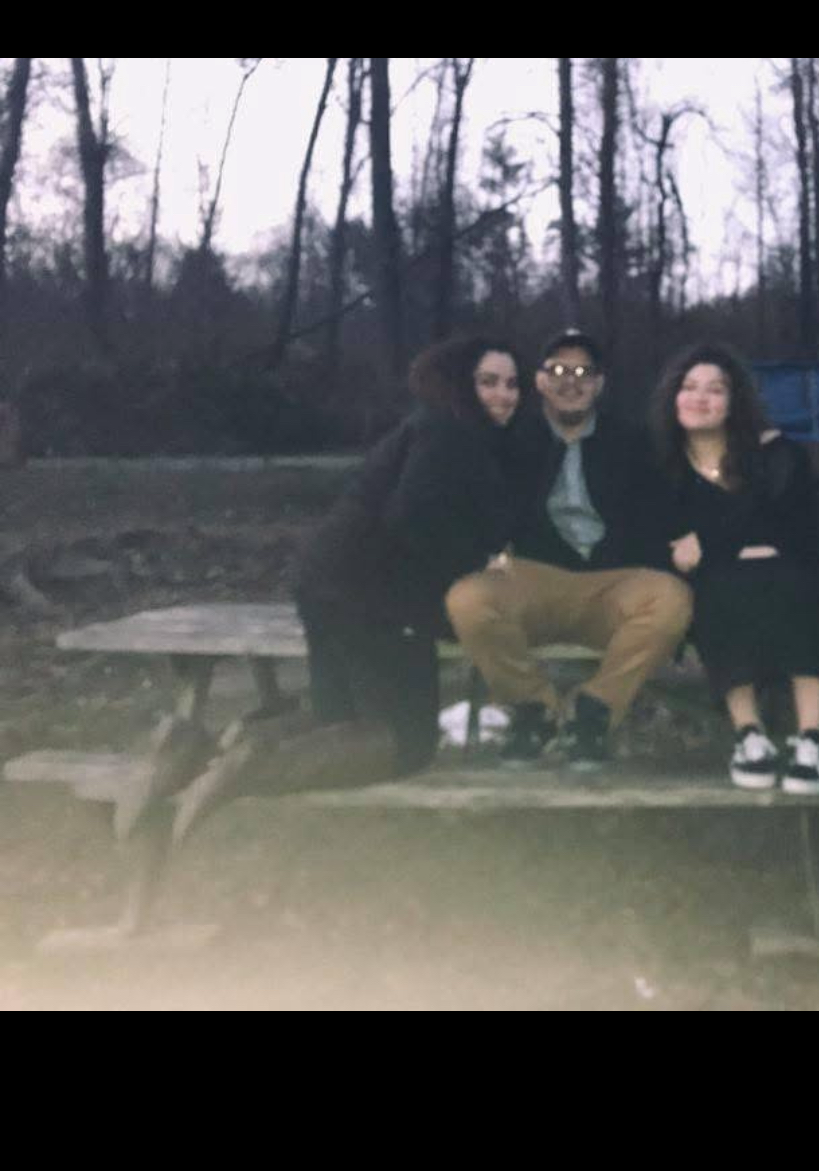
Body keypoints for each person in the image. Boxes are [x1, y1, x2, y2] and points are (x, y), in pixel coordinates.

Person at [166, 334, 525, 844]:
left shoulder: (430, 427)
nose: (503, 394)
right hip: (376, 594)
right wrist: (475, 579)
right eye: (488, 382)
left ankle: (196, 748)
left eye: (511, 383)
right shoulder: (452, 435)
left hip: (325, 579)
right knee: (407, 740)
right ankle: (251, 763)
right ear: (459, 384)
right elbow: (416, 520)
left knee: (338, 718)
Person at [445, 329, 692, 771]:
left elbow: (666, 510)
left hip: (614, 582)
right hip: (535, 576)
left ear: (599, 383)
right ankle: (533, 709)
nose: (570, 381)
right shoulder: (511, 438)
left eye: (583, 372)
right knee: (468, 598)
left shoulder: (633, 441)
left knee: (672, 598)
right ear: (540, 380)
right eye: (558, 369)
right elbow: (469, 503)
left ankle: (592, 711)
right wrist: (483, 551)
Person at [650, 345, 819, 793]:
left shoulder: (775, 453)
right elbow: (670, 544)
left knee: (801, 584)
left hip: (792, 572)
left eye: (715, 390)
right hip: (719, 586)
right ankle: (749, 737)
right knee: (721, 590)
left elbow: (796, 531)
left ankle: (812, 740)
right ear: (673, 396)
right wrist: (734, 543)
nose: (700, 398)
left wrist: (710, 543)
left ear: (735, 402)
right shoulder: (662, 466)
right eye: (689, 387)